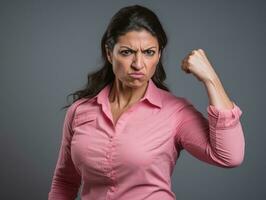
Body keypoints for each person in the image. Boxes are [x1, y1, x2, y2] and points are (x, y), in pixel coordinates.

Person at [48, 4, 245, 200]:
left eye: (149, 52)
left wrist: (211, 79)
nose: (138, 64)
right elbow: (64, 182)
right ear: (109, 53)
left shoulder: (175, 112)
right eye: (127, 52)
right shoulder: (80, 111)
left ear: (159, 55)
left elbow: (229, 156)